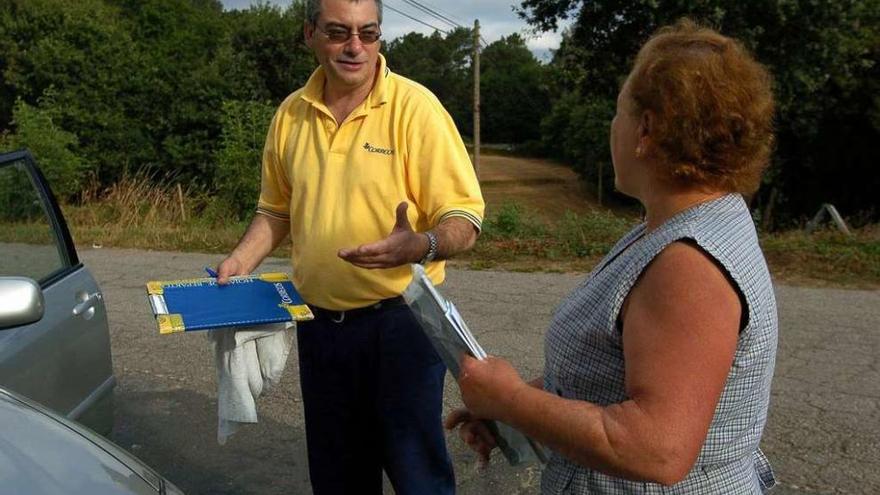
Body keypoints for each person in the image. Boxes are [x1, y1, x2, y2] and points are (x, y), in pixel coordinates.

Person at [446, 19, 778, 494]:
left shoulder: (689, 263)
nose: (612, 125)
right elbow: (606, 380)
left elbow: (656, 447)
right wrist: (512, 411)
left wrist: (512, 399)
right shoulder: (685, 223)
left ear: (646, 129)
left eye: (619, 111)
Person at [215, 0, 484, 493]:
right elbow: (275, 211)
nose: (355, 47)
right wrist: (240, 260)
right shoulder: (291, 113)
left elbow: (464, 218)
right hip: (320, 327)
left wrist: (421, 244)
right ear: (310, 34)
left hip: (402, 323)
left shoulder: (415, 107)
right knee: (338, 474)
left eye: (369, 32)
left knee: (417, 474)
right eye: (339, 32)